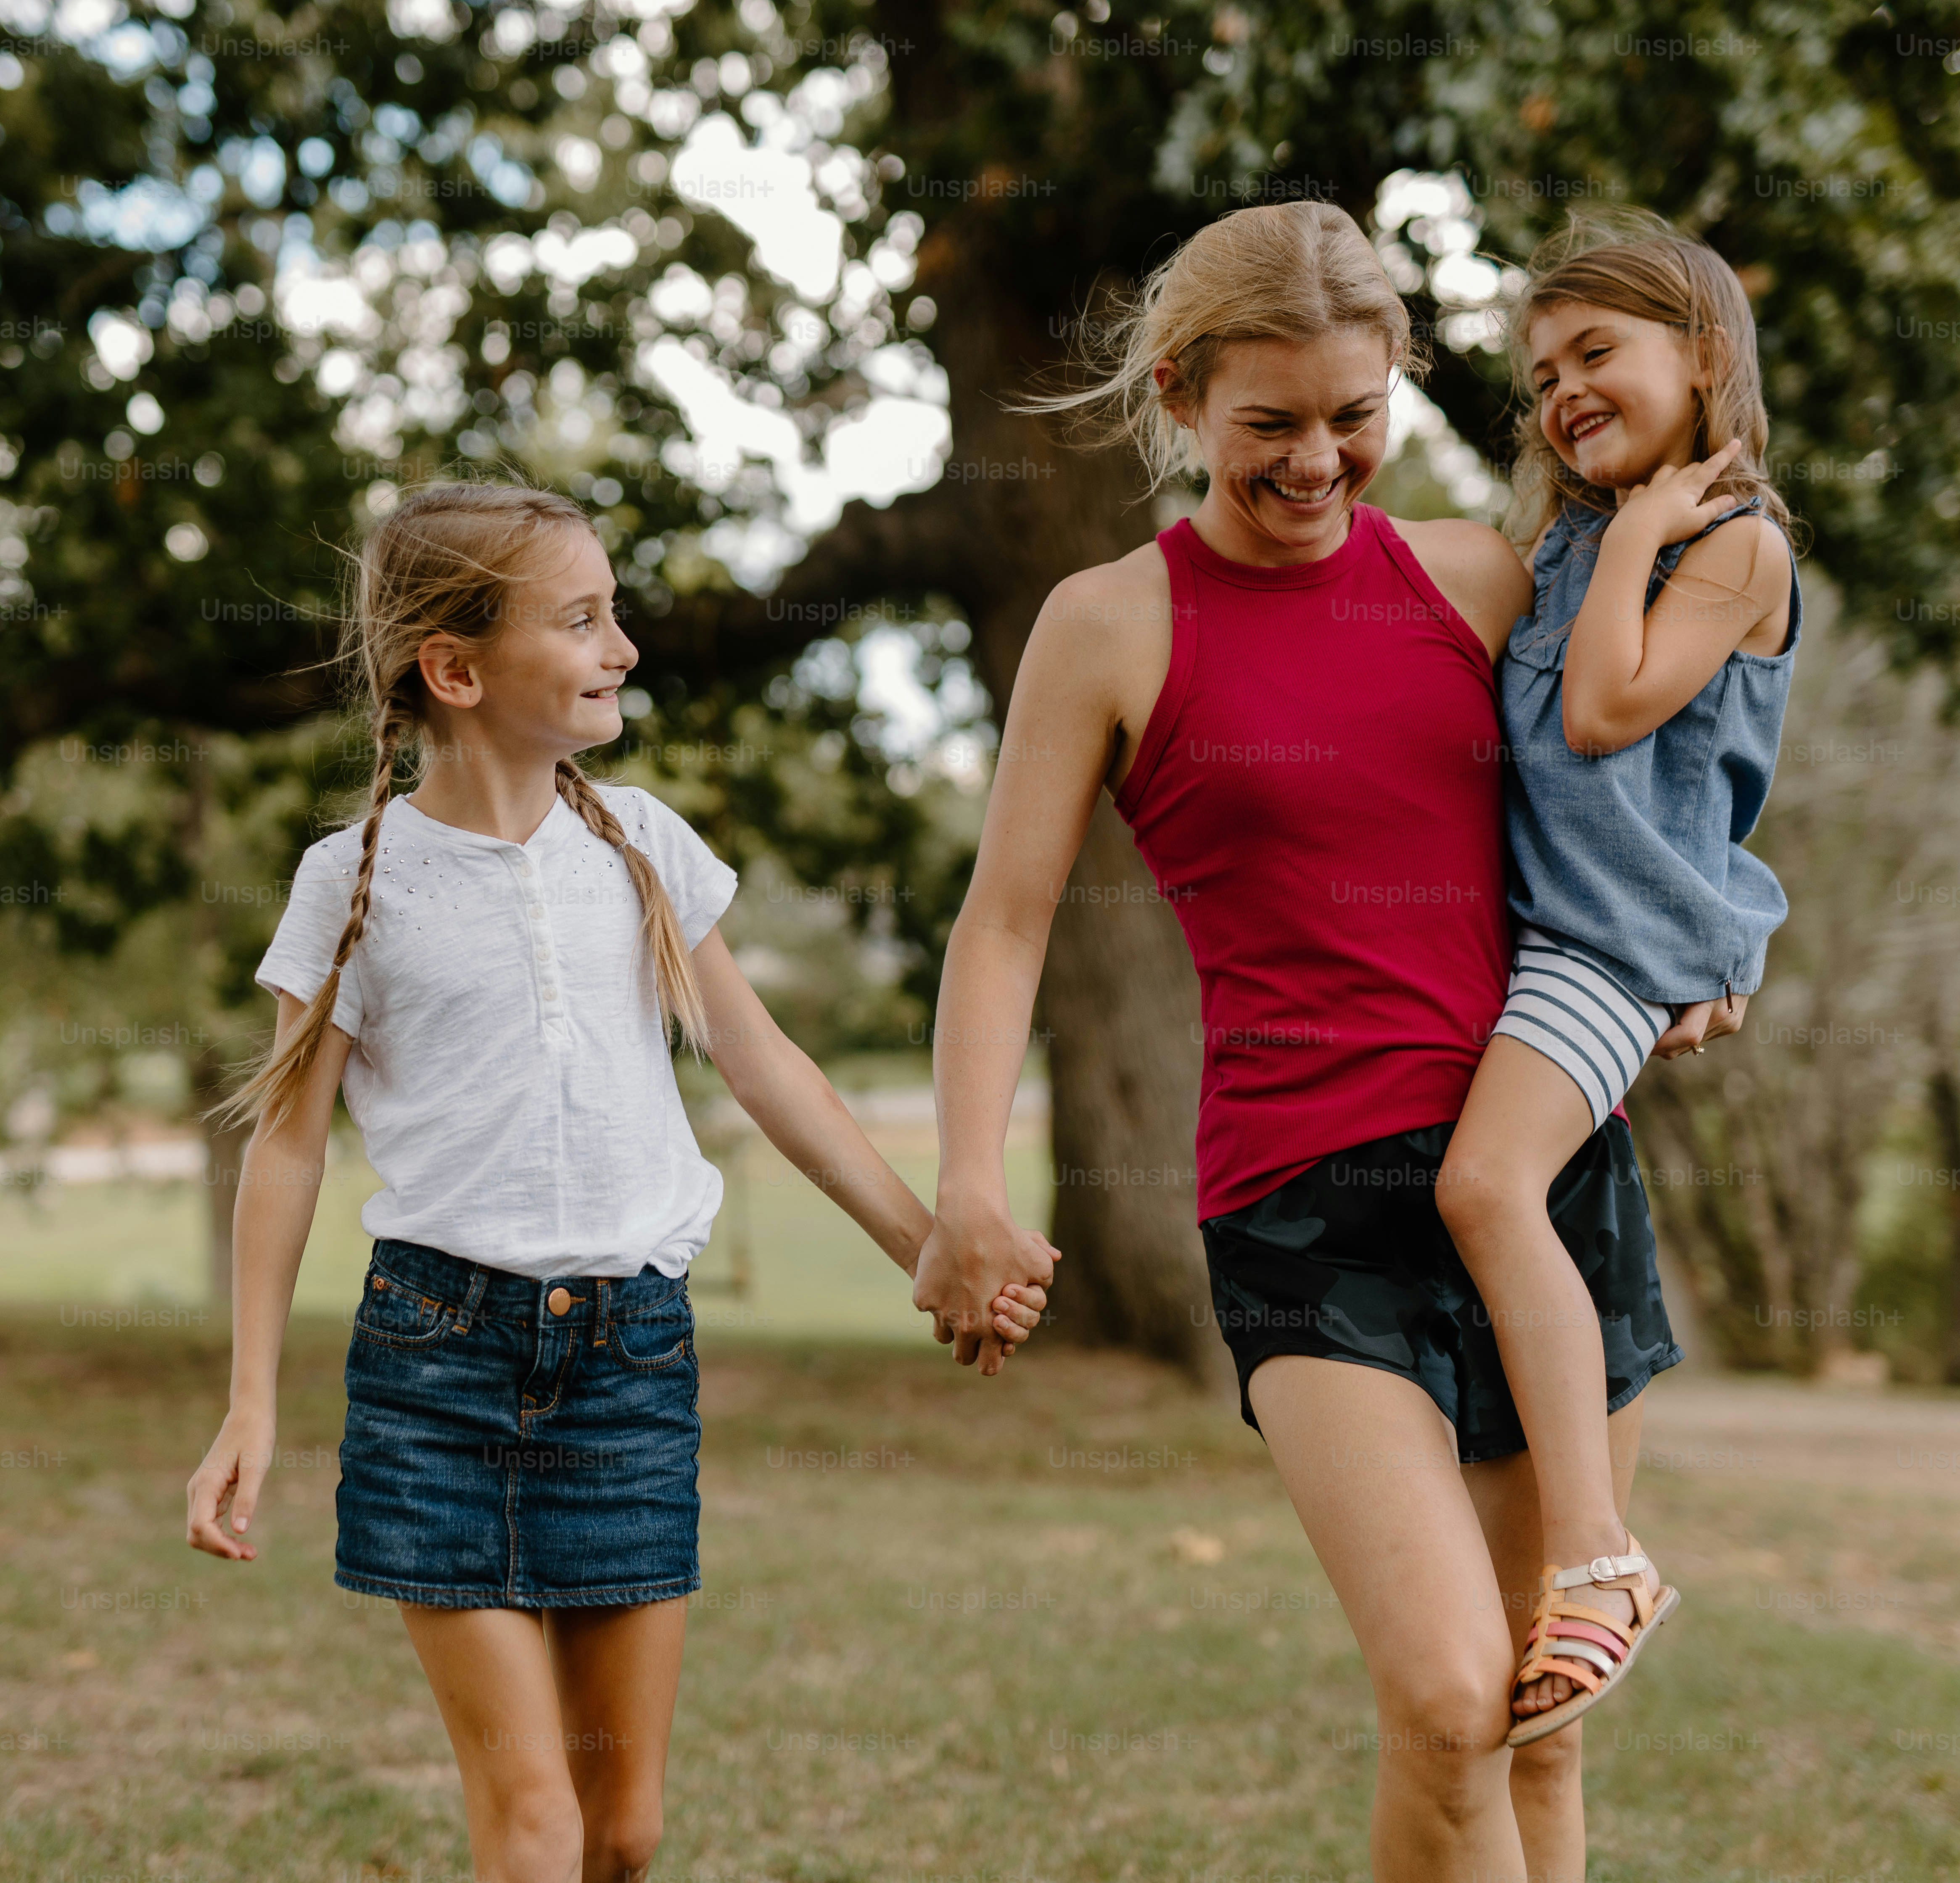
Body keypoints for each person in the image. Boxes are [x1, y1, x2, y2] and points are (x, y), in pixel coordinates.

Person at [911, 201, 1717, 1881]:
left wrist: (1702, 948)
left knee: (1544, 1735)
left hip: (1542, 1183)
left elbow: (1646, 771)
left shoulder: (1484, 575)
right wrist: (969, 1180)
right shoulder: (1111, 623)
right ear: (1186, 397)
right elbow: (1005, 920)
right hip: (1301, 1210)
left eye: (1354, 416)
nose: (1318, 460)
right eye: (1271, 422)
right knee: (1446, 1701)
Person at [182, 480, 1051, 1883]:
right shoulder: (355, 879)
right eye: (581, 620)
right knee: (532, 1826)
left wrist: (928, 1246)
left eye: (616, 613)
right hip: (434, 1372)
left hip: (630, 1369)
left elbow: (766, 1069)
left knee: (622, 1832)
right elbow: (286, 1147)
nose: (624, 646)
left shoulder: (639, 842)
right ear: (455, 672)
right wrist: (251, 1399)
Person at [1434, 211, 1800, 1746]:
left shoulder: (1732, 546)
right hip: (1551, 939)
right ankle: (1556, 1538)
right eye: (1542, 375)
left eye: (1599, 353)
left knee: (1485, 1190)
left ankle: (1599, 1559)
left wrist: (1645, 534)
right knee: (1497, 1213)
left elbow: (1600, 715)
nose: (1564, 391)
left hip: (1616, 949)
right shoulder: (1566, 544)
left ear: (1704, 357)